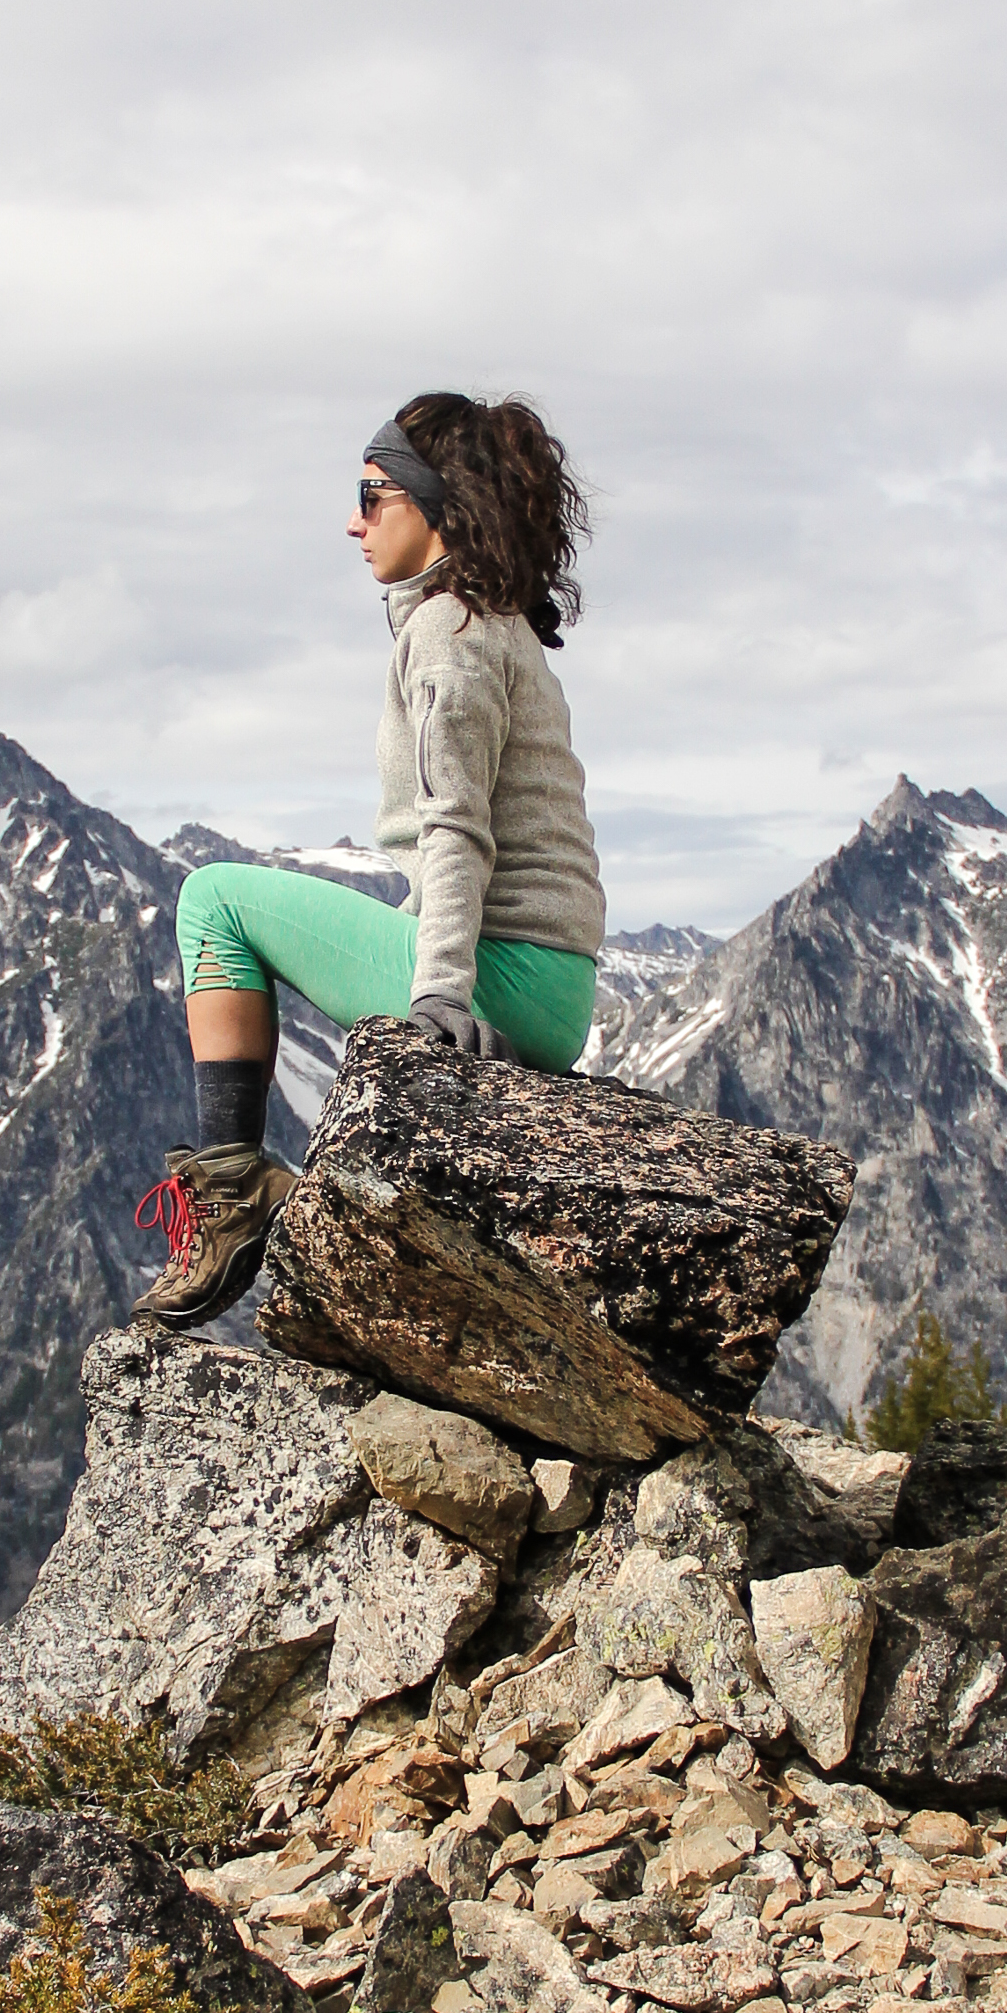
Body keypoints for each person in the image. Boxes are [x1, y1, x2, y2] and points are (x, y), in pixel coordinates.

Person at [132, 391, 606, 1327]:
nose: (354, 522)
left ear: (438, 504)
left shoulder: (448, 633)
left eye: (372, 495)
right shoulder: (495, 623)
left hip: (503, 982)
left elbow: (457, 829)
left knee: (212, 900)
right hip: (553, 989)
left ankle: (232, 1195)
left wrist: (440, 994)